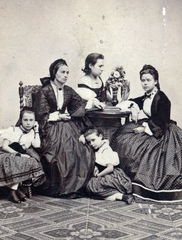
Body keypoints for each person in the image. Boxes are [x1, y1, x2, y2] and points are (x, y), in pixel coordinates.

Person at [111, 64, 182, 202]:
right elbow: (135, 101)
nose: (145, 83)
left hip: (162, 131)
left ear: (155, 81)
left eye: (148, 80)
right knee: (124, 139)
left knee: (155, 158)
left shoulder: (162, 98)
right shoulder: (146, 96)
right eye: (143, 80)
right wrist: (131, 105)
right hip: (152, 126)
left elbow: (162, 121)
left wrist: (145, 128)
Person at [34, 58, 95, 198]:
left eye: (67, 72)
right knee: (63, 150)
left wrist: (89, 103)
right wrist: (57, 116)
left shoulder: (68, 90)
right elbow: (40, 114)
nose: (66, 75)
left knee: (82, 149)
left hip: (67, 125)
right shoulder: (44, 90)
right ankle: (63, 187)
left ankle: (77, 186)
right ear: (54, 73)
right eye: (63, 72)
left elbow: (80, 103)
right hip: (50, 126)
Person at [0, 107, 46, 203]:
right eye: (25, 120)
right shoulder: (13, 130)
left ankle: (15, 190)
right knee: (18, 161)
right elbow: (4, 147)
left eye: (31, 120)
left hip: (17, 155)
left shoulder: (32, 132)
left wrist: (36, 130)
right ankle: (13, 191)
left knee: (30, 161)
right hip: (5, 154)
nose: (28, 123)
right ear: (21, 120)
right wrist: (19, 155)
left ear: (35, 121)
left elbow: (37, 145)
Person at [81, 127, 134, 204]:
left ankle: (120, 196)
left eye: (93, 140)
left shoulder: (105, 149)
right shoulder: (99, 147)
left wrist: (98, 175)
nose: (91, 144)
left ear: (100, 136)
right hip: (105, 174)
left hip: (113, 175)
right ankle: (120, 196)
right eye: (89, 142)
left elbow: (110, 168)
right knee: (90, 185)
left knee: (92, 185)